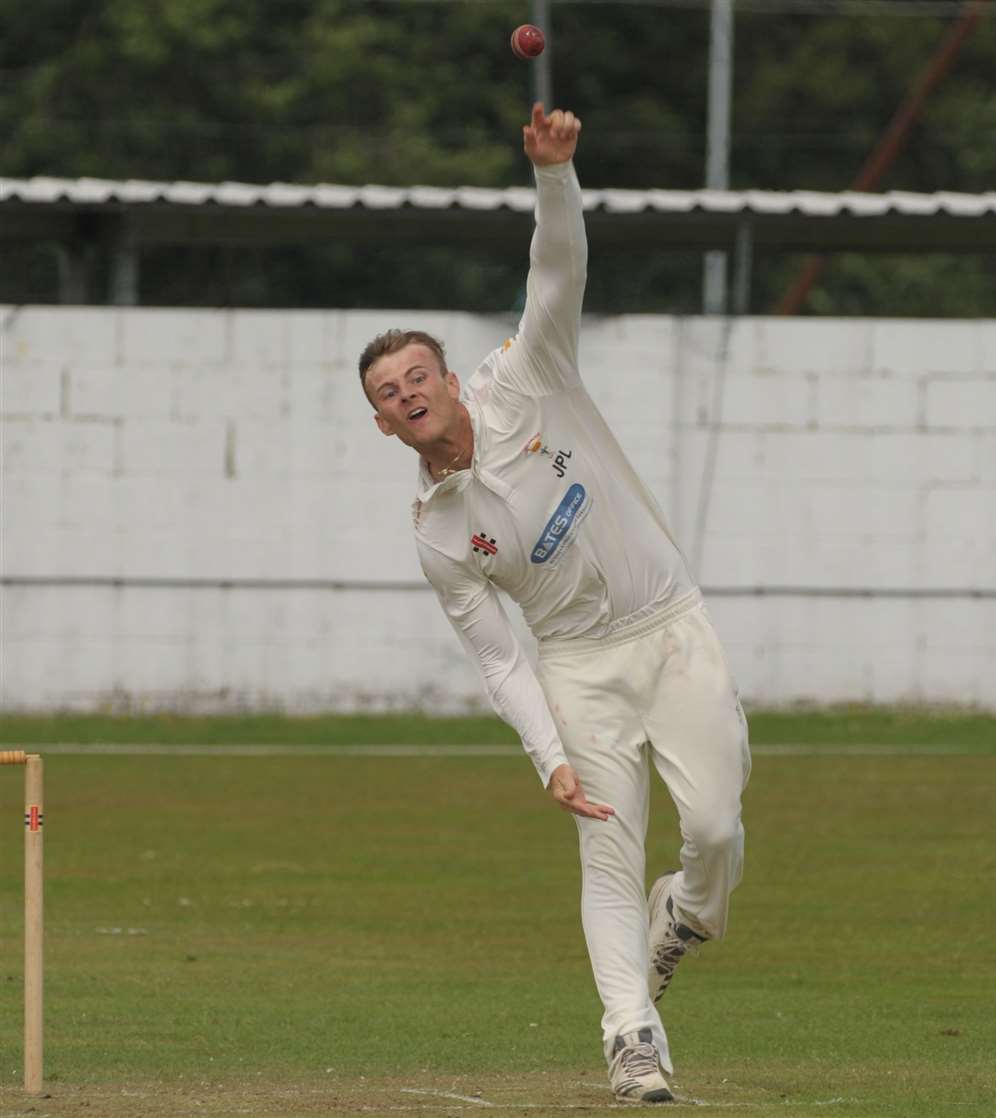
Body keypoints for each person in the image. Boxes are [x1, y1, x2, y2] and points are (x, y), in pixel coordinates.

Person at [358, 104, 751, 1104]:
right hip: (580, 667)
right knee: (606, 846)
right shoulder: (438, 533)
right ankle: (631, 1035)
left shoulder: (528, 377)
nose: (408, 393)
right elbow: (498, 656)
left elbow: (557, 275)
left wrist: (553, 177)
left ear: (450, 378)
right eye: (388, 391)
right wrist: (551, 755)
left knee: (712, 829)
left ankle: (688, 918)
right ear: (380, 422)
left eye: (417, 375)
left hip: (669, 625)